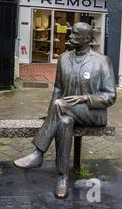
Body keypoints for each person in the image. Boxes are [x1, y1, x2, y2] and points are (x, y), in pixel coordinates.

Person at [14, 22, 116, 199]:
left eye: (76, 34)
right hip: (65, 113)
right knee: (64, 122)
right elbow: (58, 90)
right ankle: (62, 178)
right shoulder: (63, 58)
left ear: (87, 39)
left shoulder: (102, 60)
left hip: (92, 113)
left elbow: (110, 96)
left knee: (60, 106)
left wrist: (86, 98)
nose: (70, 36)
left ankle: (38, 153)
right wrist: (50, 115)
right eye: (71, 32)